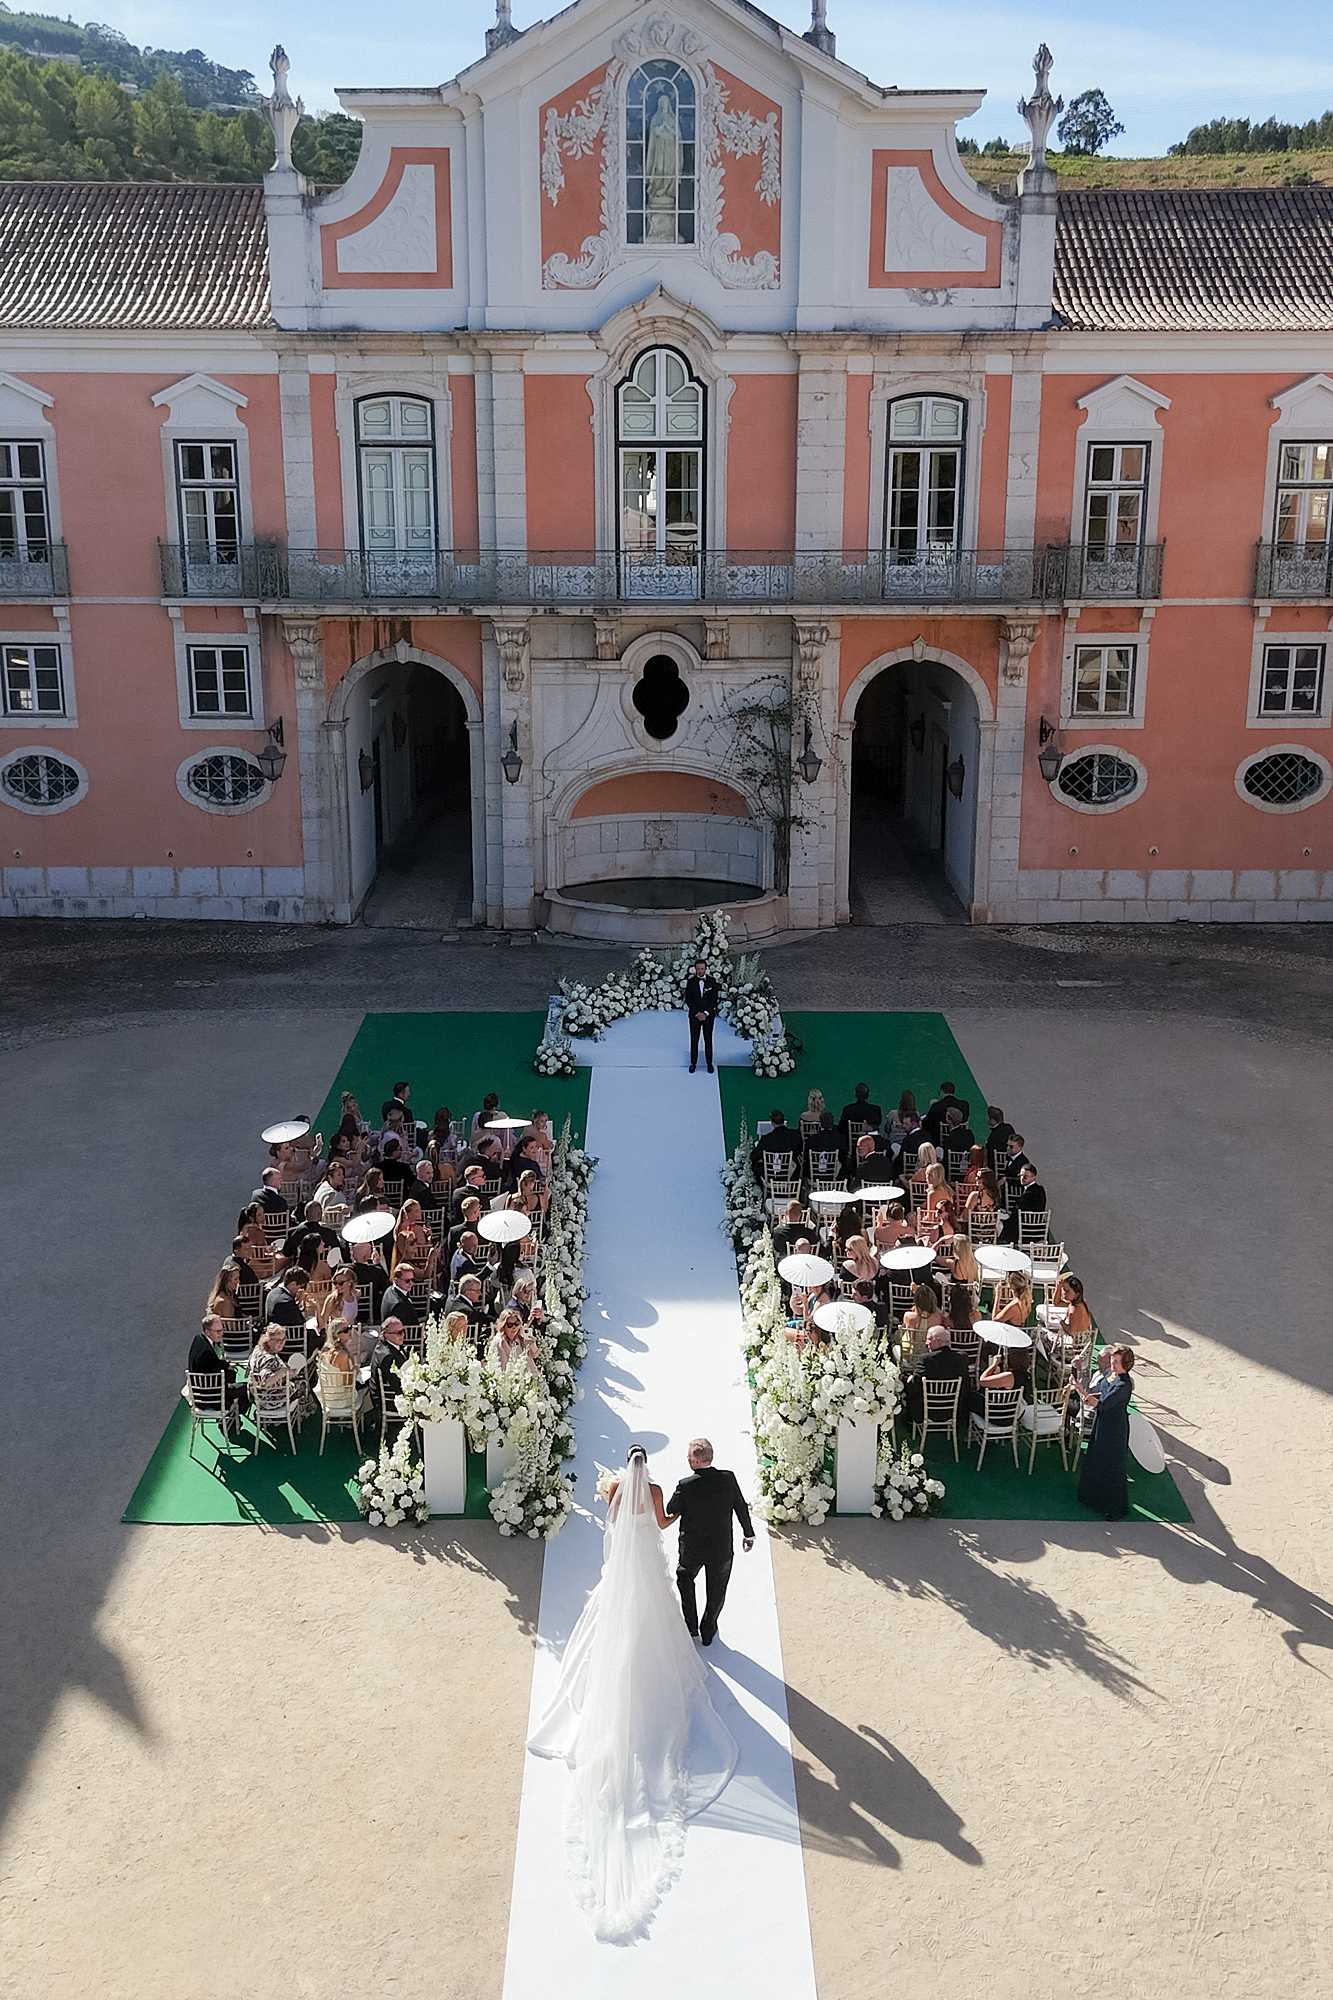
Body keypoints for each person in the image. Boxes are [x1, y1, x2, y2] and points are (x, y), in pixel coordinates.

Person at [527, 1449, 737, 1942]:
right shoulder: (658, 1490)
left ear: (625, 1468)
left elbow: (613, 1528)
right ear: (649, 1468)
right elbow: (661, 1525)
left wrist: (612, 1499)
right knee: (655, 1616)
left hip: (625, 1568)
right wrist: (666, 1513)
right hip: (647, 1564)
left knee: (612, 1623)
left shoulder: (618, 1491)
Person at [666, 1437, 754, 1647]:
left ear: (696, 1461)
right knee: (717, 1590)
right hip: (721, 1548)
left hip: (692, 1548)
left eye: (689, 1457)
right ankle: (708, 1628)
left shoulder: (685, 1486)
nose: (687, 1459)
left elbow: (671, 1508)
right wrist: (748, 1533)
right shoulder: (728, 1478)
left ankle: (691, 1625)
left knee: (684, 1578)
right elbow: (740, 1506)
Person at [1075, 1346, 1136, 1519]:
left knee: (1112, 1466)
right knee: (1096, 1459)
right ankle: (1092, 1499)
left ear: (1125, 1364)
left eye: (1116, 1361)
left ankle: (1113, 1508)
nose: (1112, 1363)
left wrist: (1082, 1392)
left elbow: (1103, 1404)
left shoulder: (1124, 1384)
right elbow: (1101, 1392)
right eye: (1112, 1360)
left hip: (1115, 1429)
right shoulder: (1112, 1376)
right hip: (1102, 1423)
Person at [904, 1325, 970, 1422]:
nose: (927, 1343)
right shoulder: (962, 1358)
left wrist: (907, 1379)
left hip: (926, 1411)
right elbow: (966, 1384)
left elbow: (914, 1385)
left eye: (929, 1339)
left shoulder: (925, 1359)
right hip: (954, 1411)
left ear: (939, 1341)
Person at [187, 1313, 250, 1413]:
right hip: (210, 1397)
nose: (221, 1334)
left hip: (202, 1389)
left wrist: (226, 1365)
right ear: (207, 1332)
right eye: (218, 1331)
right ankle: (233, 1413)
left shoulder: (198, 1338)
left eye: (222, 1330)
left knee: (231, 1374)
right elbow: (213, 1368)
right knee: (248, 1389)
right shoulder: (205, 1352)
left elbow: (213, 1363)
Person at [683, 958, 720, 1074]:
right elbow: (688, 999)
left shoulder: (712, 981)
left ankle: (709, 1063)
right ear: (695, 969)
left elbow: (714, 999)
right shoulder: (690, 982)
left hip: (708, 1016)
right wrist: (697, 1013)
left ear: (706, 969)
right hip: (694, 1016)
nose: (700, 971)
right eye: (698, 969)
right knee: (694, 1040)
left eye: (702, 969)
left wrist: (706, 1013)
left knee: (708, 1039)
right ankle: (693, 1063)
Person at [1000, 1164, 1048, 1243]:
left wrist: (1006, 1218)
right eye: (1021, 1175)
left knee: (1002, 1225)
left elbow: (1017, 1213)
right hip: (1038, 1228)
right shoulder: (1040, 1189)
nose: (1022, 1178)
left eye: (1025, 1176)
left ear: (1033, 1177)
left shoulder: (1029, 1194)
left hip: (1026, 1229)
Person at [750, 1110, 796, 1176]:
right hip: (791, 1174)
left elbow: (754, 1156)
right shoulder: (795, 1136)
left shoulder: (766, 1139)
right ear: (783, 1121)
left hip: (771, 1175)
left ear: (772, 1122)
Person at [380, 1261, 424, 1329]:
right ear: (396, 1280)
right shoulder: (400, 1305)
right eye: (407, 1281)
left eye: (412, 1280)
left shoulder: (389, 1290)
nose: (411, 1283)